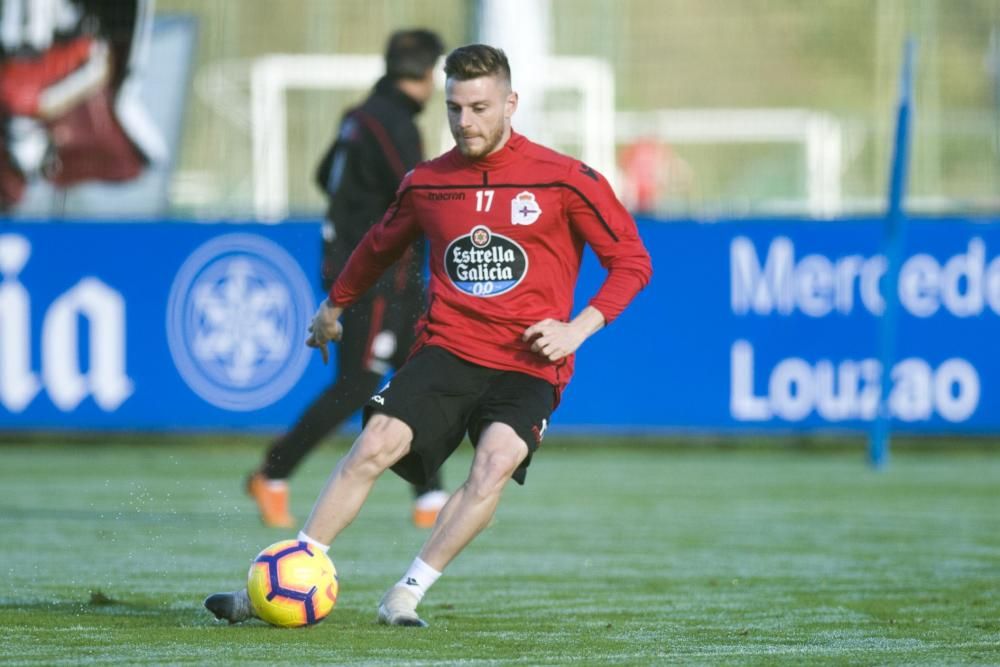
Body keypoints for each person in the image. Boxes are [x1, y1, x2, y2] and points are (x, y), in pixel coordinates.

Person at [205, 43, 652, 628]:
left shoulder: (564, 179)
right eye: (454, 108)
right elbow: (376, 246)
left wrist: (578, 328)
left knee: (492, 466)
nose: (465, 122)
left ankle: (406, 593)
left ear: (511, 103)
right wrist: (334, 305)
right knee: (373, 444)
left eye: (480, 108)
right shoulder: (427, 184)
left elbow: (632, 261)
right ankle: (289, 573)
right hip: (448, 350)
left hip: (529, 364)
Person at [244, 29, 448, 530]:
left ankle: (430, 497)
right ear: (427, 74)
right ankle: (272, 473)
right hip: (379, 272)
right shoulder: (394, 121)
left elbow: (323, 176)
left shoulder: (358, 117)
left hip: (363, 264)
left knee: (418, 372)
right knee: (359, 382)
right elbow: (418, 191)